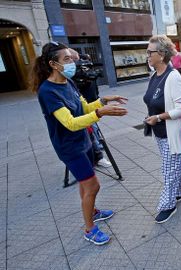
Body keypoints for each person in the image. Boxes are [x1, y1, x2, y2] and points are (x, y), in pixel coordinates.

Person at [32, 41, 128, 245]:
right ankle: (89, 228)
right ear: (53, 64)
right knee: (93, 185)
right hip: (69, 148)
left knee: (86, 183)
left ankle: (92, 211)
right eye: (66, 59)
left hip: (83, 141)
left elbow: (84, 108)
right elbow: (70, 123)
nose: (71, 62)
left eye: (71, 58)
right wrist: (100, 113)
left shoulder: (68, 83)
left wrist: (102, 101)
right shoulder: (47, 92)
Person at [143, 35, 181, 224]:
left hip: (172, 132)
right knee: (174, 163)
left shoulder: (173, 77)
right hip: (159, 133)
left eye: (150, 52)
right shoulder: (154, 75)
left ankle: (167, 205)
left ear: (162, 54)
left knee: (168, 170)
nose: (147, 55)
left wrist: (159, 117)